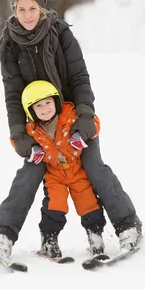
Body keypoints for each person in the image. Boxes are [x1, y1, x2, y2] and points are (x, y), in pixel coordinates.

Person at [0, 0, 142, 261]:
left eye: (32, 8)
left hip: (73, 118)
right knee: (29, 175)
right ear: (14, 12)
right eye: (21, 9)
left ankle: (128, 226)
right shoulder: (10, 45)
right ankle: (3, 236)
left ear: (42, 8)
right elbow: (12, 97)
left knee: (94, 167)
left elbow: (79, 78)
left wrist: (84, 120)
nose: (27, 15)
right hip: (42, 128)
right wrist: (19, 135)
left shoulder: (60, 33)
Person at [18, 79, 105, 259]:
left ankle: (95, 235)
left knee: (88, 202)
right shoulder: (32, 129)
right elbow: (17, 140)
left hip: (76, 170)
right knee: (55, 206)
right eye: (38, 106)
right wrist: (31, 149)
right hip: (54, 174)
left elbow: (94, 122)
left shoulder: (69, 115)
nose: (45, 108)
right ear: (31, 111)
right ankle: (49, 240)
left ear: (56, 102)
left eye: (48, 102)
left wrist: (82, 134)